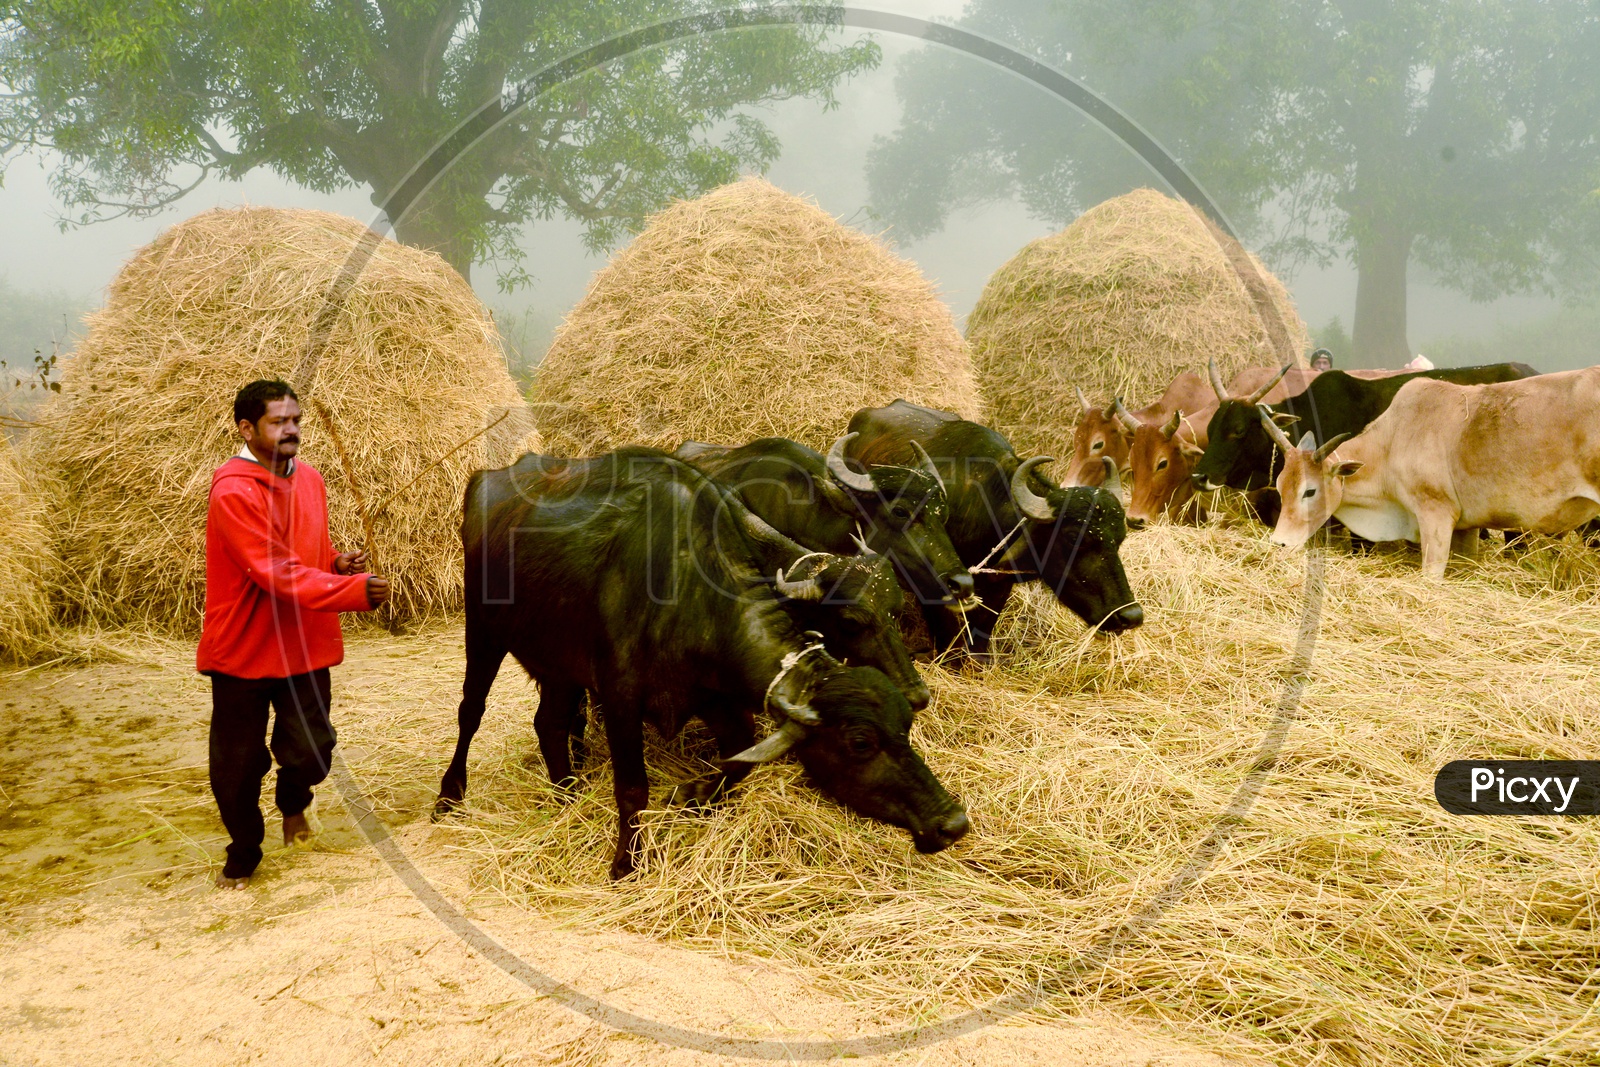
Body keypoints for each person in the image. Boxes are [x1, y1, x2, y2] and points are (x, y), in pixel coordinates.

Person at [197, 379, 391, 889]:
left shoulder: (310, 480)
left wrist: (336, 563)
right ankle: (243, 852)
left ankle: (294, 806)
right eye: (279, 422)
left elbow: (300, 556)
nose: (292, 431)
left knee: (314, 746)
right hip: (244, 646)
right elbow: (273, 571)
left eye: (296, 421)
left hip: (303, 640)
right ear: (247, 428)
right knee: (238, 766)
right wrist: (354, 593)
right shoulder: (234, 490)